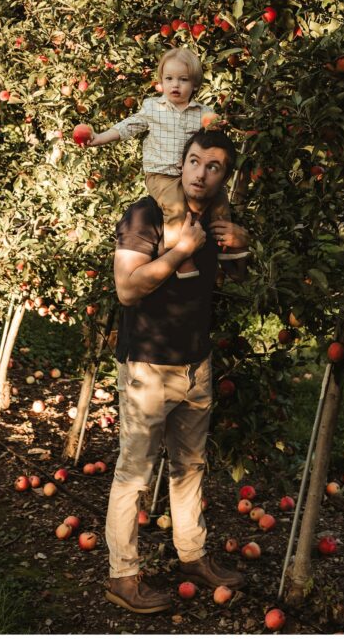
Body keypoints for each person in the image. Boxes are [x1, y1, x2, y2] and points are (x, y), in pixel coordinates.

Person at [104, 129, 250, 614]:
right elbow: (127, 289)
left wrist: (243, 246)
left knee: (190, 469)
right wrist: (179, 249)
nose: (200, 174)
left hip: (196, 365)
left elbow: (240, 278)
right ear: (180, 163)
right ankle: (122, 576)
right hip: (147, 365)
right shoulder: (146, 213)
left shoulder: (218, 221)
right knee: (134, 474)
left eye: (213, 167)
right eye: (193, 161)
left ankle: (192, 556)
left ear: (224, 177)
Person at [87, 48, 245, 279]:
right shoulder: (153, 108)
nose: (175, 85)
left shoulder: (202, 112)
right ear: (160, 81)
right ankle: (179, 256)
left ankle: (225, 247)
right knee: (175, 208)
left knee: (220, 201)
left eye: (183, 80)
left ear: (195, 86)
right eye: (169, 79)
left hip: (186, 175)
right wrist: (99, 138)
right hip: (160, 175)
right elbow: (128, 127)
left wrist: (220, 125)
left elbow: (215, 137)